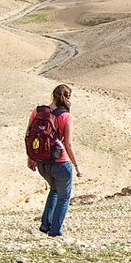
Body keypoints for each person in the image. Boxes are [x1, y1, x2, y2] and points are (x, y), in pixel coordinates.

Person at [28, 84, 82, 237]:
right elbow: (68, 144)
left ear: (52, 95)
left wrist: (31, 157)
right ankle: (55, 231)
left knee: (54, 190)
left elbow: (29, 136)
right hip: (61, 162)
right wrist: (77, 166)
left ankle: (45, 224)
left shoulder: (37, 111)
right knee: (64, 197)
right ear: (68, 98)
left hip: (41, 162)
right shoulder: (66, 116)